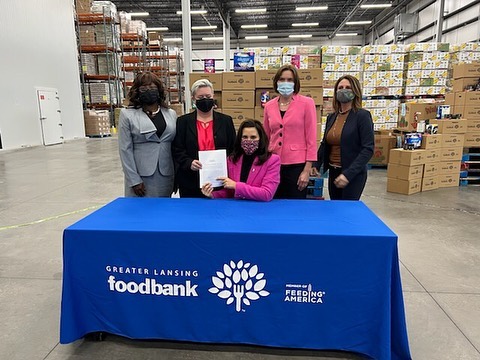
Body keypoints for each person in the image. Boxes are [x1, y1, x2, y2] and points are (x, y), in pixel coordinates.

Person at [173, 79, 236, 198]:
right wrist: (189, 162)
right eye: (200, 97)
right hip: (191, 181)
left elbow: (233, 148)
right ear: (193, 99)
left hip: (220, 181)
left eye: (208, 96)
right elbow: (177, 149)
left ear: (213, 96)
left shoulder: (226, 121)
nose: (205, 100)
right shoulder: (183, 122)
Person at [118, 71, 177, 197]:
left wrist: (177, 176)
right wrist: (133, 179)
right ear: (137, 91)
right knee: (140, 214)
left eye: (152, 88)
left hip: (166, 174)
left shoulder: (171, 114)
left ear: (159, 90)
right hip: (140, 176)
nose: (149, 90)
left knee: (163, 212)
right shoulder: (127, 114)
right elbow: (125, 150)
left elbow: (176, 146)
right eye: (144, 88)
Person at [316, 75, 374, 200]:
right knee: (335, 209)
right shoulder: (332, 117)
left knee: (347, 211)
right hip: (334, 172)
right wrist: (315, 165)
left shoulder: (362, 116)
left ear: (355, 91)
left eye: (348, 87)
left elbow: (368, 149)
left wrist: (348, 174)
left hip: (353, 174)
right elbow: (325, 144)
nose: (343, 90)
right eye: (340, 87)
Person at [263, 64, 317, 199]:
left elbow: (311, 137)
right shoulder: (269, 106)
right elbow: (266, 136)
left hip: (297, 166)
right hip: (274, 163)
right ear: (276, 82)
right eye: (282, 79)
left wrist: (307, 169)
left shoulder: (307, 103)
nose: (285, 83)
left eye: (289, 80)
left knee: (295, 206)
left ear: (295, 82)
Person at [201, 119, 280, 201]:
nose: (249, 140)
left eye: (253, 137)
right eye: (245, 137)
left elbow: (267, 194)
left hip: (259, 210)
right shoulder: (232, 160)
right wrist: (212, 194)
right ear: (240, 138)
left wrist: (236, 185)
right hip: (237, 209)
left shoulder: (272, 160)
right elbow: (230, 192)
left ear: (261, 138)